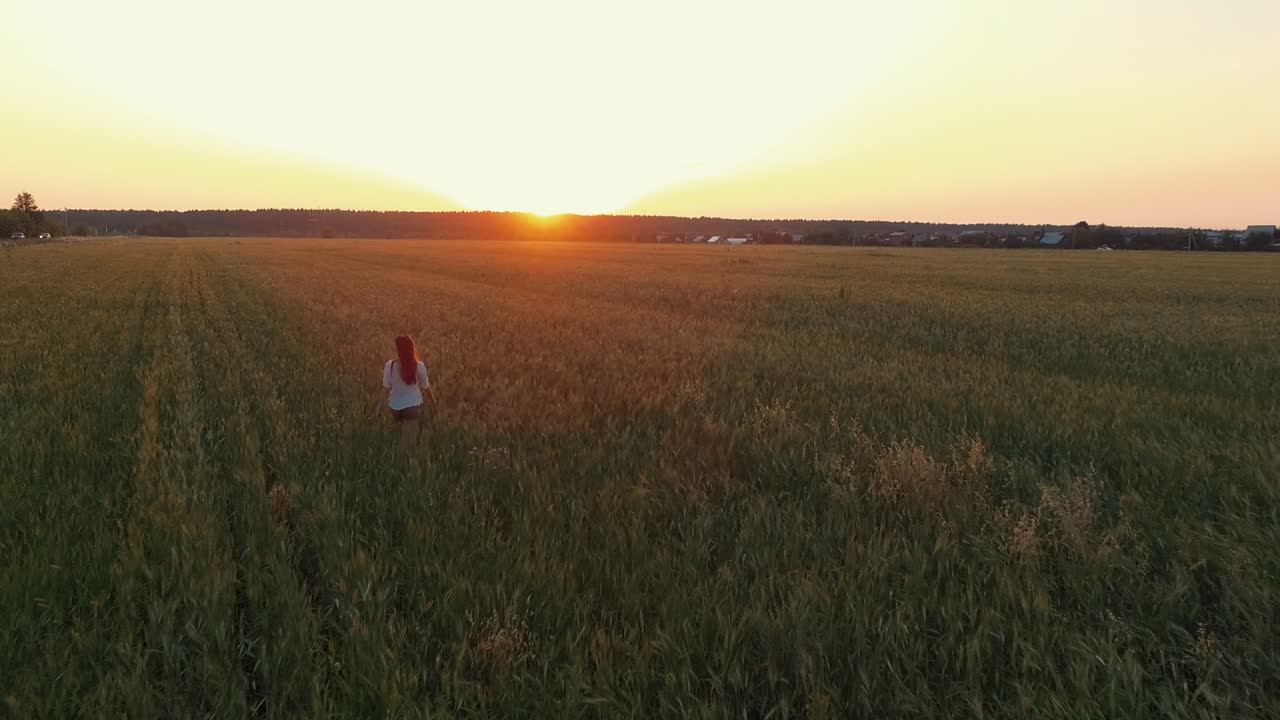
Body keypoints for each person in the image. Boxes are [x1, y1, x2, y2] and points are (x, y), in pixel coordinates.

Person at [383, 335, 437, 452]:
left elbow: (386, 389)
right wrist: (434, 402)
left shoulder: (390, 365)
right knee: (408, 443)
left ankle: (392, 463)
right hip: (412, 407)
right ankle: (403, 466)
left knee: (396, 439)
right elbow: (426, 387)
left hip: (395, 407)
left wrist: (380, 407)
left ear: (398, 349)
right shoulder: (419, 366)